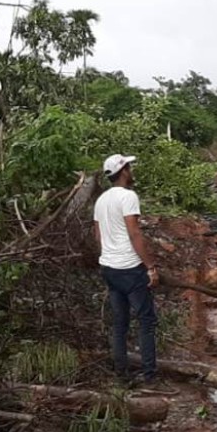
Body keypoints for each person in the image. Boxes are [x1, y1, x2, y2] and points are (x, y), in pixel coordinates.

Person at [94, 154, 160, 386]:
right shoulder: (128, 197)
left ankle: (121, 374)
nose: (131, 171)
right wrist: (150, 266)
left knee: (120, 322)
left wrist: (108, 256)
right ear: (123, 171)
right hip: (130, 268)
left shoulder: (101, 200)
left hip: (109, 268)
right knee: (146, 320)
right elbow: (134, 233)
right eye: (129, 167)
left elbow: (98, 235)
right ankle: (149, 375)